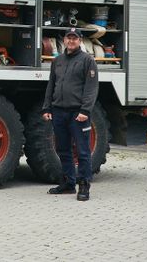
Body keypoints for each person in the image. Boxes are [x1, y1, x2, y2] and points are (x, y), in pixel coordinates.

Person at [41, 27, 99, 201]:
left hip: (78, 114)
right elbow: (51, 85)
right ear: (64, 40)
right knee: (63, 149)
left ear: (80, 40)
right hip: (59, 112)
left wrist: (85, 111)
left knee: (82, 151)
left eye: (75, 38)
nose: (71, 41)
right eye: (68, 38)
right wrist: (46, 108)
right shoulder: (57, 61)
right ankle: (68, 183)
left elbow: (91, 88)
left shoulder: (87, 61)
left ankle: (84, 185)